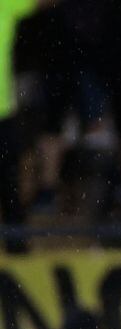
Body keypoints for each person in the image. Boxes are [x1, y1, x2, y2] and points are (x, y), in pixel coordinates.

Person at [0, 0, 56, 253]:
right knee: (9, 181)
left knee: (9, 181)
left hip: (3, 113)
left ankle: (17, 245)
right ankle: (17, 243)